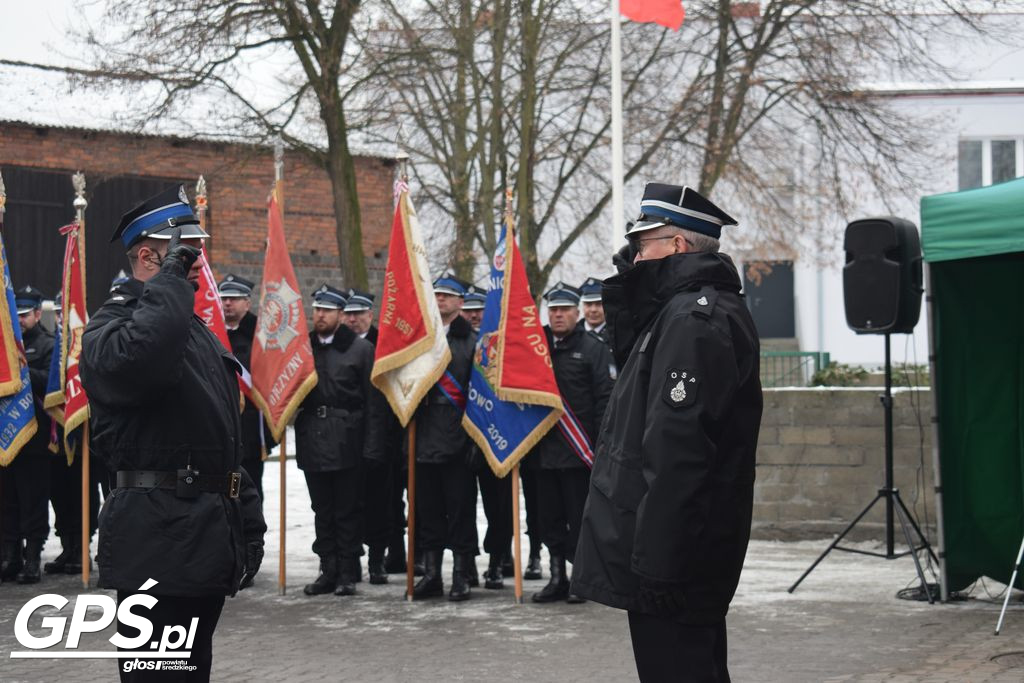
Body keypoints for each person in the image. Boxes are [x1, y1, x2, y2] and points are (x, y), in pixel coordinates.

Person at [571, 183, 762, 683]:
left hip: (675, 552)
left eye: (644, 244)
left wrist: (660, 562)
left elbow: (680, 453)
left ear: (677, 245)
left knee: (683, 670)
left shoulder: (696, 320)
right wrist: (630, 286)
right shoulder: (677, 313)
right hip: (670, 543)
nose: (635, 256)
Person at [80, 185, 266, 681]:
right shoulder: (111, 326)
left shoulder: (192, 331)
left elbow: (219, 436)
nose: (196, 266)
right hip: (156, 540)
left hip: (203, 535)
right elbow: (144, 361)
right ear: (148, 255)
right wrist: (168, 285)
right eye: (185, 255)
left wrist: (247, 520)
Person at [530, 282, 614, 605]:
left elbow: (604, 401)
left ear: (576, 313)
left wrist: (600, 446)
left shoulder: (593, 348)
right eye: (553, 310)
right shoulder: (537, 346)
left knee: (579, 519)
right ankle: (556, 577)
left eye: (564, 310)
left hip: (580, 453)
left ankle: (581, 579)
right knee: (548, 519)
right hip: (543, 453)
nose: (558, 315)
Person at [297, 284, 381, 597]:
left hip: (348, 439)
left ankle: (347, 570)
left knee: (347, 509)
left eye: (327, 311)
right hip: (312, 438)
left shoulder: (360, 350)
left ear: (340, 315)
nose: (320, 316)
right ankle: (327, 568)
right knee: (322, 509)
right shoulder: (304, 348)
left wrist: (373, 446)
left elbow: (374, 402)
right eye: (317, 309)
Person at [411, 274, 478, 601]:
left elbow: (480, 396)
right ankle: (433, 574)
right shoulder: (419, 339)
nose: (441, 301)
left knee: (461, 511)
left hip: (458, 436)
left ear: (460, 303)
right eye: (436, 295)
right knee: (428, 511)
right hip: (423, 436)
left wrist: (474, 440)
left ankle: (461, 575)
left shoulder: (472, 342)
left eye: (448, 296)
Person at [0, 286, 55, 585]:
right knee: (7, 499)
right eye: (15, 316)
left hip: (35, 437)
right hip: (6, 437)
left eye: (24, 315)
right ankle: (11, 555)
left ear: (37, 314)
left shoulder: (48, 345)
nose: (19, 321)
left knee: (33, 499)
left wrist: (23, 372)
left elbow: (52, 385)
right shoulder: (3, 350)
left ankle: (33, 557)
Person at [342, 287, 396, 585]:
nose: (352, 320)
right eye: (348, 314)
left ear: (370, 315)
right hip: (347, 440)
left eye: (358, 314)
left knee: (380, 504)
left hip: (381, 435)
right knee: (351, 503)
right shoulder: (338, 345)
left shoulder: (383, 344)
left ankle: (378, 560)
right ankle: (351, 560)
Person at [218, 273, 274, 501]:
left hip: (250, 428)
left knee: (250, 491)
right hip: (219, 424)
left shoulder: (260, 336)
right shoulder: (211, 333)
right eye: (223, 298)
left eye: (234, 298)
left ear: (248, 303)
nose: (227, 303)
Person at [578, 277, 609, 343]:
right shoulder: (573, 334)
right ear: (583, 306)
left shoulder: (615, 333)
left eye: (598, 304)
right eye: (588, 304)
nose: (593, 310)